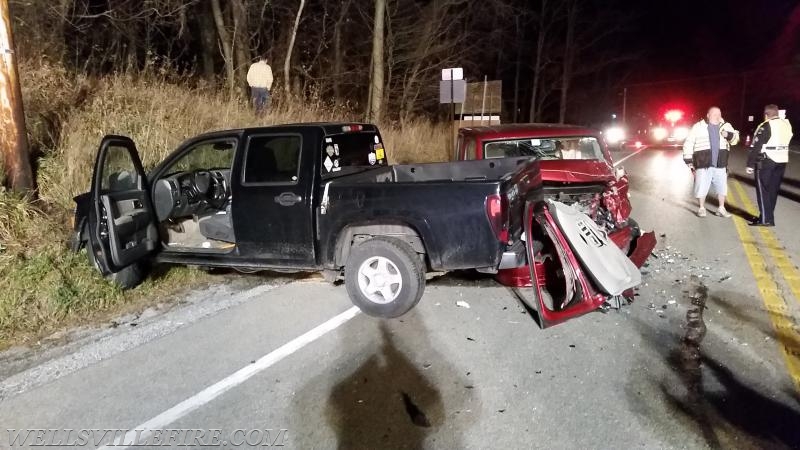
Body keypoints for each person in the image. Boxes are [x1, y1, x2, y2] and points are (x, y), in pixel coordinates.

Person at [682, 106, 740, 217]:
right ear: (708, 115)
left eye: (719, 114)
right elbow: (689, 142)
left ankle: (721, 208)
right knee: (701, 186)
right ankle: (701, 208)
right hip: (703, 163)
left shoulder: (726, 126)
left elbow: (735, 140)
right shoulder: (698, 127)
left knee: (722, 187)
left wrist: (728, 135)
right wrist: (688, 160)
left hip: (720, 163)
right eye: (714, 115)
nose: (718, 117)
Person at [746, 104, 793, 226]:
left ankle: (765, 219)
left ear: (766, 115)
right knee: (772, 191)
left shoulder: (766, 125)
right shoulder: (786, 125)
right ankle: (767, 217)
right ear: (777, 113)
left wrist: (750, 164)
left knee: (763, 190)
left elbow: (757, 145)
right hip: (782, 161)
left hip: (766, 161)